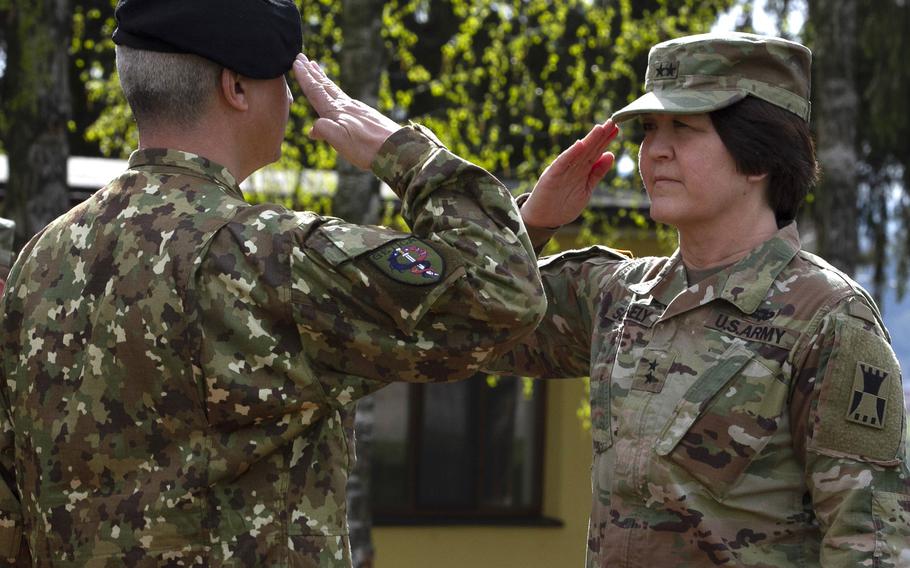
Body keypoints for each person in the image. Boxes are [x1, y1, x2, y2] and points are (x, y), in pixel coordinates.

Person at [0, 0, 547, 564]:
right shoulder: (270, 257)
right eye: (284, 79)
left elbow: (10, 500)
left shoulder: (41, 259)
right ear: (236, 87)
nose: (290, 99)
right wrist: (406, 154)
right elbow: (502, 293)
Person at [491, 32, 909, 566]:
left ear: (758, 156)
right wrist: (532, 224)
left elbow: (867, 542)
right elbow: (471, 327)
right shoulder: (619, 295)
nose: (654, 151)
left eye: (683, 128)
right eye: (649, 130)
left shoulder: (828, 319)